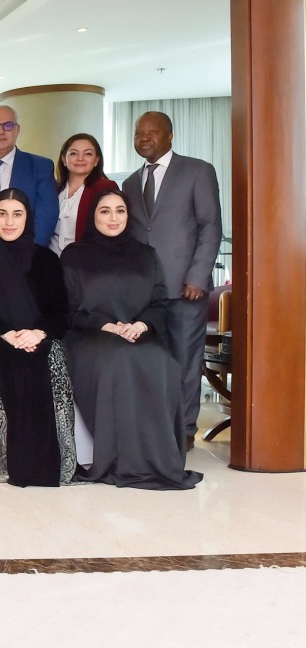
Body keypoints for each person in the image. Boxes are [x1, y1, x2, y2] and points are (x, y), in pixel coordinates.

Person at [61, 190, 203, 490]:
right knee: (119, 360)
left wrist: (140, 324)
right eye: (105, 211)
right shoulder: (75, 256)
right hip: (90, 337)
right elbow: (67, 311)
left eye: (120, 211)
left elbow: (159, 303)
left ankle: (158, 461)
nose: (114, 218)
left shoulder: (146, 255)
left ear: (129, 216)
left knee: (161, 361)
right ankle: (123, 460)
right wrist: (106, 325)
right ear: (92, 216)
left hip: (140, 334)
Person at [0, 189, 76, 487]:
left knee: (50, 360)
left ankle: (59, 464)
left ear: (28, 218)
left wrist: (38, 332)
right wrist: (8, 333)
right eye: (2, 214)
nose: (9, 222)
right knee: (6, 364)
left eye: (17, 214)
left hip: (41, 336)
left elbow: (60, 310)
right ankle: (6, 462)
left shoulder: (46, 260)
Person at [121, 111, 223, 450]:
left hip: (185, 289)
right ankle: (155, 429)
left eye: (152, 132)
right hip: (145, 294)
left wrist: (197, 275)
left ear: (170, 135)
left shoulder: (197, 170)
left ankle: (184, 432)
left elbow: (210, 227)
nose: (144, 138)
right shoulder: (130, 183)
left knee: (184, 360)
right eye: (139, 133)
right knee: (152, 362)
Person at [0, 105, 59, 251]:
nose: (1, 131)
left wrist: (28, 254)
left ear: (18, 130)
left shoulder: (40, 167)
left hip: (22, 256)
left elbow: (46, 216)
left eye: (8, 125)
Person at [49, 132, 118, 256]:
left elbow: (112, 232)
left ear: (96, 160)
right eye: (74, 153)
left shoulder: (105, 188)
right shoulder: (53, 188)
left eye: (88, 154)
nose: (80, 158)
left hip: (86, 263)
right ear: (64, 159)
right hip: (51, 263)